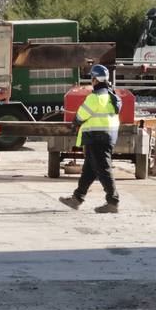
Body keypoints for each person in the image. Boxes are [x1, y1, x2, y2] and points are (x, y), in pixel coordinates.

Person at [59, 64, 121, 213]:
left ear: (94, 80)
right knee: (89, 170)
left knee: (104, 170)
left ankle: (113, 201)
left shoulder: (95, 98)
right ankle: (77, 199)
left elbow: (81, 115)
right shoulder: (112, 97)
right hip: (107, 137)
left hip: (96, 138)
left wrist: (75, 123)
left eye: (91, 79)